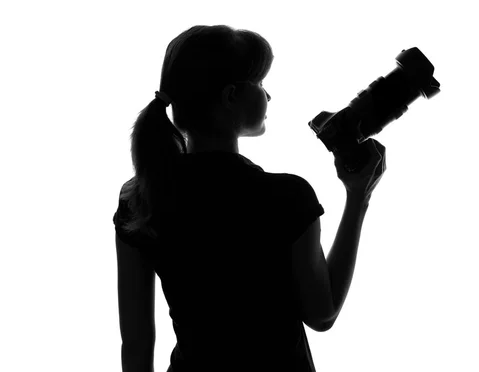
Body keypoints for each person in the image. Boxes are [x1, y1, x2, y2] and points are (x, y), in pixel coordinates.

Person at [113, 24, 386, 372]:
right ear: (230, 97)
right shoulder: (286, 196)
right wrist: (358, 198)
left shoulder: (138, 199)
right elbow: (322, 313)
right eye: (259, 85)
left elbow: (136, 344)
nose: (268, 97)